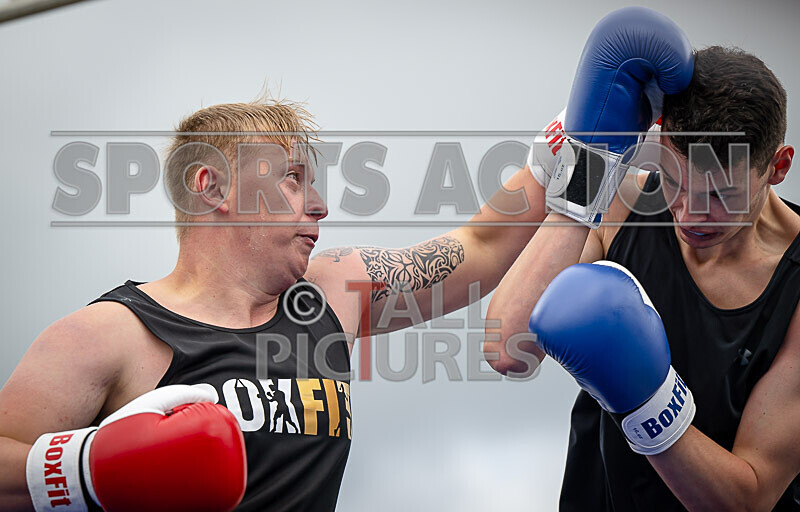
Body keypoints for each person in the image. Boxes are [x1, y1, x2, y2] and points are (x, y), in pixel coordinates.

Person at [0, 94, 555, 511]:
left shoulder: (332, 293)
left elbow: (482, 246)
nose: (319, 206)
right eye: (292, 180)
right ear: (212, 188)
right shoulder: (110, 334)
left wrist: (570, 144)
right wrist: (87, 468)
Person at [486, 40, 800, 512]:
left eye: (719, 194)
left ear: (777, 167)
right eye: (675, 181)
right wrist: (588, 164)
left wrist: (649, 401)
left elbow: (749, 497)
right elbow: (506, 346)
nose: (691, 214)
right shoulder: (623, 203)